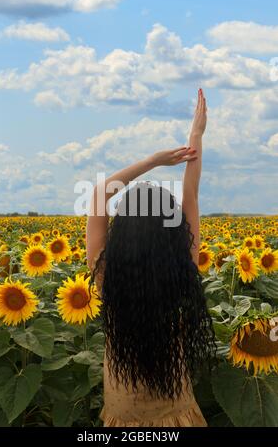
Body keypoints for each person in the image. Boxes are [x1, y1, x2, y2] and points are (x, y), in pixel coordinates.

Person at [86, 88, 216, 427]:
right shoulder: (182, 269)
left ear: (122, 231)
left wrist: (152, 161)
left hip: (123, 416)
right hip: (176, 416)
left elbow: (100, 194)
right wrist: (196, 136)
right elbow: (191, 193)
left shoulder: (106, 274)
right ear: (172, 233)